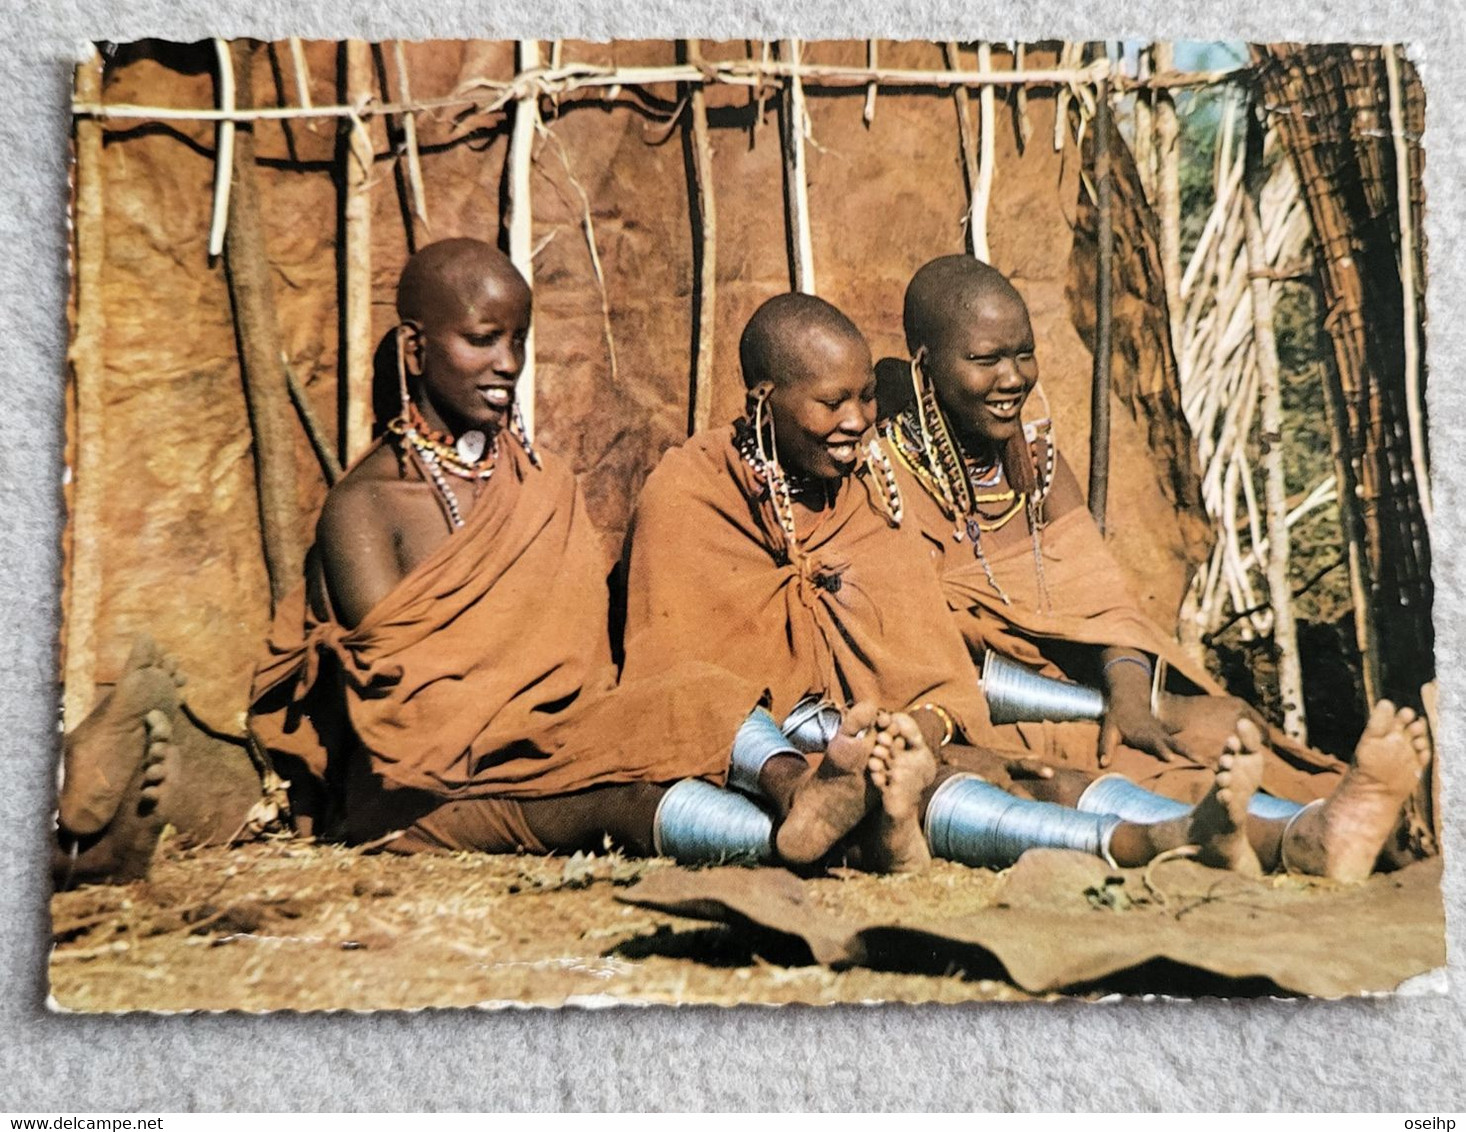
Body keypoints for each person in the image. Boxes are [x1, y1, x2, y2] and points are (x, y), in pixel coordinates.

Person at [883, 254, 1354, 808]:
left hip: (1092, 694)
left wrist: (1130, 701)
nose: (1013, 379)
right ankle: (1295, 836)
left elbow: (1105, 606)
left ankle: (1365, 820)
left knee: (1227, 723)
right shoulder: (884, 483)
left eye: (1024, 354)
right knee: (1148, 771)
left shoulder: (1039, 463)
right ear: (926, 365)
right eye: (986, 360)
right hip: (984, 717)